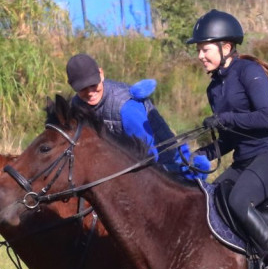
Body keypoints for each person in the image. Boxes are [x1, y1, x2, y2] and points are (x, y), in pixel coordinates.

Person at [187, 9, 268, 269]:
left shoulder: (249, 72)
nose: (201, 55)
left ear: (226, 47)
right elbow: (232, 138)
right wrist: (206, 152)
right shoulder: (214, 89)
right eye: (199, 50)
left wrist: (225, 120)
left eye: (205, 49)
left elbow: (266, 119)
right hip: (245, 159)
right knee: (210, 200)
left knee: (239, 199)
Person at [65, 53, 205, 179]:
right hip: (126, 165)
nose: (90, 92)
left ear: (101, 74)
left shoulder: (125, 107)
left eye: (93, 85)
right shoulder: (77, 106)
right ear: (73, 87)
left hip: (166, 167)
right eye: (82, 88)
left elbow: (148, 154)